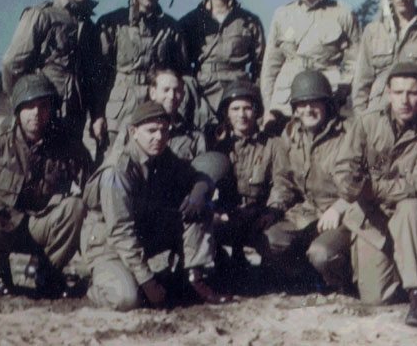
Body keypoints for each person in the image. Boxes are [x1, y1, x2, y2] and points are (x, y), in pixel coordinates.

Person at [0, 73, 92, 298]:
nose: (36, 113)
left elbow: (90, 181)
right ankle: (3, 277)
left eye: (43, 106)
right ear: (17, 110)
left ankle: (48, 274)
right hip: (3, 223)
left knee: (75, 207)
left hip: (41, 224)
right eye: (29, 106)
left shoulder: (65, 144)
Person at [81, 101, 232, 311]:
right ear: (133, 132)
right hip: (108, 243)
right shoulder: (118, 171)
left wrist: (199, 189)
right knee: (128, 299)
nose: (159, 137)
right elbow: (120, 232)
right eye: (151, 131)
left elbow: (193, 175)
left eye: (163, 130)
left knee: (197, 209)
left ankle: (193, 278)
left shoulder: (161, 154)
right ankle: (97, 286)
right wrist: (148, 282)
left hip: (141, 231)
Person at [333, 62, 417, 326]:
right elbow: (343, 168)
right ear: (387, 92)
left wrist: (369, 187)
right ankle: (402, 268)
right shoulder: (366, 122)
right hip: (371, 217)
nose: (404, 101)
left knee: (411, 205)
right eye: (398, 92)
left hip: (408, 216)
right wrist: (349, 185)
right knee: (376, 298)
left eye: (412, 93)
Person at [263, 70, 353, 292]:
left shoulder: (349, 132)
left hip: (344, 213)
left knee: (321, 254)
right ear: (294, 108)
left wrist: (340, 206)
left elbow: (370, 174)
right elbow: (283, 178)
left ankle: (343, 280)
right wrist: (274, 208)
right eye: (302, 104)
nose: (308, 110)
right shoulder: (291, 133)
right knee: (269, 239)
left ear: (326, 104)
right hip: (308, 211)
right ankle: (305, 276)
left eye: (315, 103)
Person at [2, 0, 105, 145]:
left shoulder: (89, 26)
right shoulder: (42, 15)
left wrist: (96, 114)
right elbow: (12, 64)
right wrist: (21, 103)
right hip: (42, 112)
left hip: (74, 116)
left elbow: (92, 78)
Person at [260, 0, 359, 125]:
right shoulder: (282, 15)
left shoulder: (342, 13)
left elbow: (356, 61)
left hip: (325, 98)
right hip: (286, 102)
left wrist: (341, 91)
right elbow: (270, 67)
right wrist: (268, 107)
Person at [97, 0, 188, 148]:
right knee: (115, 162)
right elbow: (99, 74)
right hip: (120, 106)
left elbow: (181, 71)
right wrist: (97, 115)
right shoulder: (114, 23)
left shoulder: (171, 28)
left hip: (156, 103)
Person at [179, 0, 266, 134]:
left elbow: (261, 65)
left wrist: (255, 99)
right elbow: (182, 67)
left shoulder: (249, 21)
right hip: (203, 96)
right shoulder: (190, 22)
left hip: (239, 95)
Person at [212, 81, 278, 266]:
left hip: (260, 213)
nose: (242, 115)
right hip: (228, 214)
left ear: (256, 111)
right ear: (226, 113)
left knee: (274, 239)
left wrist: (272, 212)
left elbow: (282, 184)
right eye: (235, 109)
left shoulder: (272, 145)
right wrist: (215, 212)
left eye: (247, 108)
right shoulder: (219, 147)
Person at [111, 67, 206, 162]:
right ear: (152, 93)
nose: (171, 96)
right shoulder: (133, 127)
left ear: (183, 94)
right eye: (166, 90)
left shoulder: (195, 138)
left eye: (177, 90)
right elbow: (117, 164)